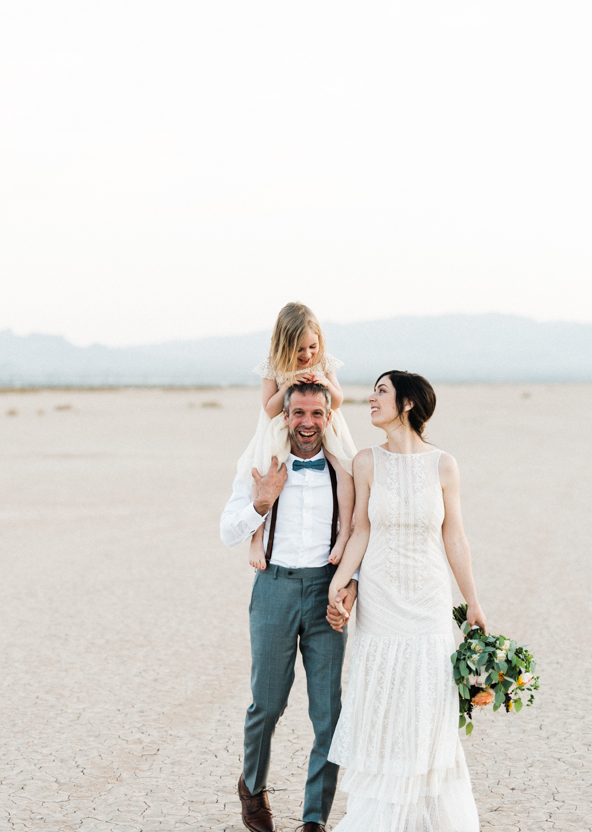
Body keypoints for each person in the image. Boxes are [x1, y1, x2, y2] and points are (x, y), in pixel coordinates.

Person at [326, 370, 485, 832]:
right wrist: (339, 584)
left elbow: (454, 535)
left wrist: (472, 601)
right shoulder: (366, 461)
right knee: (386, 703)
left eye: (381, 392)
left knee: (428, 705)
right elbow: (361, 529)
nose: (370, 399)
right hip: (381, 602)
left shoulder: (444, 465)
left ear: (408, 404)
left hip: (430, 601)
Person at [220, 380, 358, 832]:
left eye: (317, 414)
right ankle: (253, 787)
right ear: (285, 417)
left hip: (325, 592)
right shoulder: (260, 469)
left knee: (328, 714)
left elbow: (360, 534)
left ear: (329, 418)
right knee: (267, 704)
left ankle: (314, 819)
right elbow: (227, 532)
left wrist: (349, 587)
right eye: (299, 413)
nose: (307, 423)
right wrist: (262, 502)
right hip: (274, 590)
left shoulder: (345, 473)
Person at [237, 302, 357, 569]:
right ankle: (257, 538)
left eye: (312, 347)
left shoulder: (323, 361)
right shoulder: (273, 366)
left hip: (325, 421)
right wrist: (288, 385)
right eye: (299, 349)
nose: (307, 355)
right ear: (284, 346)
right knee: (265, 470)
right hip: (284, 424)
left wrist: (326, 382)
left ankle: (343, 534)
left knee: (345, 470)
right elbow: (269, 408)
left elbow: (337, 401)